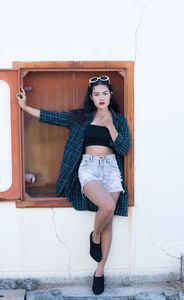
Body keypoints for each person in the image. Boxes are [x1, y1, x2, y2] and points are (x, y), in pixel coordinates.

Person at [16, 75, 130, 295]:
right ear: (91, 97)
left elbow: (124, 149)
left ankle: (99, 270)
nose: (101, 97)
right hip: (89, 168)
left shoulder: (119, 120)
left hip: (111, 170)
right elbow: (53, 117)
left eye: (104, 93)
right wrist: (24, 106)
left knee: (108, 221)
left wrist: (110, 126)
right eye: (96, 94)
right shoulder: (82, 118)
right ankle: (94, 237)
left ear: (110, 95)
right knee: (107, 207)